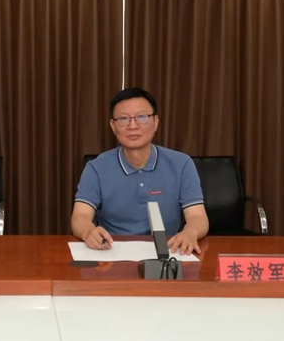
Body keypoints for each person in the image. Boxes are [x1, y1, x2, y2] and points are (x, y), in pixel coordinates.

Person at [71, 87, 209, 255]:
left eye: (142, 117)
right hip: (111, 252)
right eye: (123, 119)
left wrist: (190, 233)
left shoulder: (182, 164)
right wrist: (88, 232)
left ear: (155, 122)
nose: (133, 126)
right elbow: (80, 217)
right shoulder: (96, 168)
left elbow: (197, 217)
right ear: (113, 126)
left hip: (168, 251)